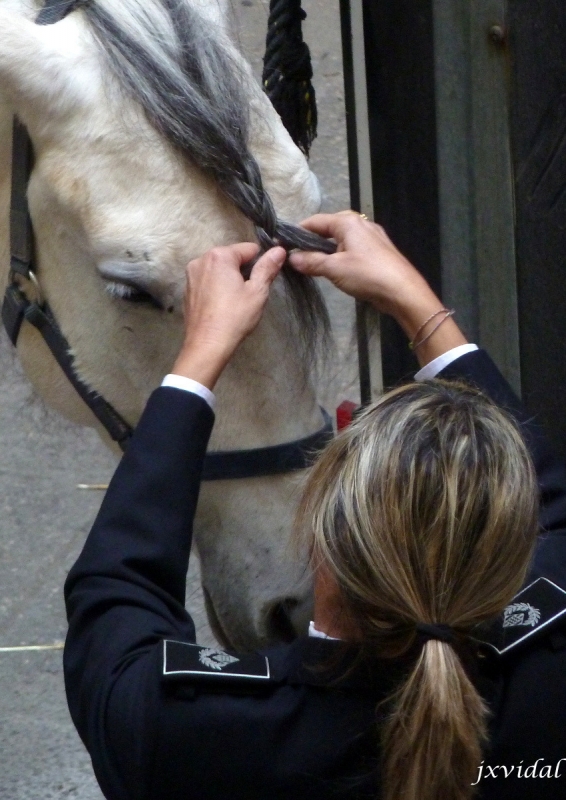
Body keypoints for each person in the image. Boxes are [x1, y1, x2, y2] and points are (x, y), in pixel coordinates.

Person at [64, 212, 566, 800]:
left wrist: (200, 352)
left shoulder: (193, 734)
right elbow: (551, 501)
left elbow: (114, 595)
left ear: (323, 540)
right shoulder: (546, 677)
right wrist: (417, 304)